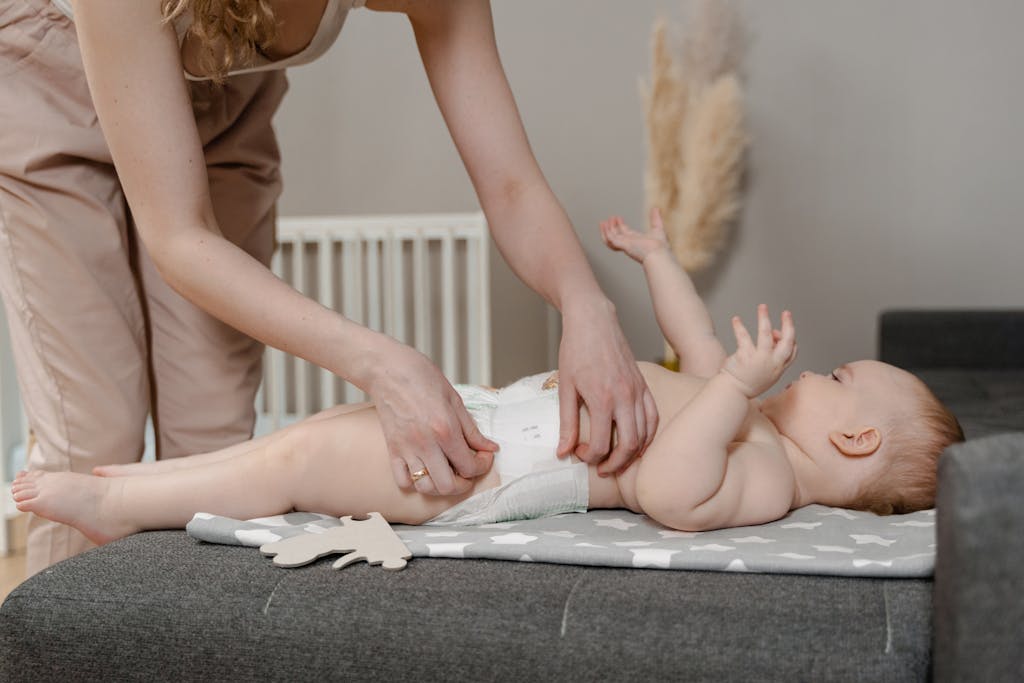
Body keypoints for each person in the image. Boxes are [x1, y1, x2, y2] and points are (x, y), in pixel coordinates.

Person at [0, 0, 655, 573]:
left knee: (217, 449)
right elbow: (178, 235)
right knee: (92, 443)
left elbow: (510, 184)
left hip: (224, 92)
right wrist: (375, 363)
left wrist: (585, 304)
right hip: (54, 80)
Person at [12, 210, 966, 540]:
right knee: (302, 438)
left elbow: (675, 492)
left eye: (842, 377)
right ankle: (133, 481)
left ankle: (123, 504)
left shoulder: (769, 478)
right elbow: (694, 343)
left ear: (856, 440)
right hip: (497, 419)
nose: (822, 371)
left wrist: (728, 389)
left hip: (495, 471)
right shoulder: (748, 416)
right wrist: (658, 259)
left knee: (298, 462)